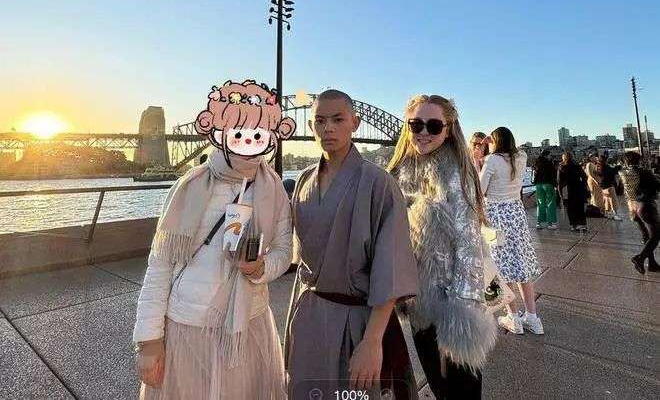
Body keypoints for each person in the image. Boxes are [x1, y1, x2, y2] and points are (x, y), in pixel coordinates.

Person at [133, 80, 296, 399]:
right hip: (187, 325)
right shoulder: (187, 186)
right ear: (221, 132)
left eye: (257, 133)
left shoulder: (273, 187)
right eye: (238, 131)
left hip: (247, 324)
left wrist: (260, 268)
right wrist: (149, 340)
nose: (247, 140)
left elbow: (284, 250)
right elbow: (160, 265)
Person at [285, 90, 418, 399]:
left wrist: (372, 342)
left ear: (355, 123)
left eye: (337, 119)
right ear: (311, 126)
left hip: (357, 322)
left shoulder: (379, 182)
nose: (328, 128)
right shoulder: (303, 180)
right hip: (308, 315)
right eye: (320, 121)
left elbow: (390, 269)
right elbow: (296, 256)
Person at [387, 95, 496, 399]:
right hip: (415, 298)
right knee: (438, 386)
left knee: (461, 391)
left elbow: (469, 243)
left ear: (448, 130)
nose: (423, 132)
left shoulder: (456, 172)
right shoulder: (399, 170)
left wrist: (461, 310)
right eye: (416, 124)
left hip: (450, 301)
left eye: (433, 126)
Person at [479, 127, 543, 335]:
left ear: (495, 141)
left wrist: (483, 152)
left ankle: (513, 317)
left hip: (497, 216)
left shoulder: (492, 160)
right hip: (516, 214)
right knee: (521, 264)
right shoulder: (521, 157)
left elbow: (480, 190)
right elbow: (516, 152)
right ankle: (533, 318)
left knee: (501, 267)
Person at [619, 151, 660, 274]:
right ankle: (640, 258)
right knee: (656, 235)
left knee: (646, 236)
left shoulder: (623, 172)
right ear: (639, 160)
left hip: (633, 207)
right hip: (645, 206)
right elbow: (658, 185)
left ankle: (652, 264)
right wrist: (655, 176)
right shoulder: (644, 172)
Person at [558, 151, 589, 232]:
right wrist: (583, 185)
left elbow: (559, 181)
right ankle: (582, 225)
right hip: (578, 188)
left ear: (564, 158)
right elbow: (585, 177)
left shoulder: (562, 167)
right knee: (580, 207)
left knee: (571, 208)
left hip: (568, 189)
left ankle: (574, 225)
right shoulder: (577, 165)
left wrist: (560, 193)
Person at [533, 149, 558, 230]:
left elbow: (535, 173)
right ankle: (551, 223)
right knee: (550, 203)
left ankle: (539, 223)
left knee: (541, 203)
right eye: (550, 155)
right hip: (548, 184)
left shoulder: (537, 163)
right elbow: (553, 174)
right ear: (547, 155)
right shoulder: (549, 163)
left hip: (538, 184)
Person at [597, 154, 622, 220]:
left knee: (607, 201)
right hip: (609, 186)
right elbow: (613, 172)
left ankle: (609, 214)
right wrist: (618, 167)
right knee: (613, 201)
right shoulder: (606, 167)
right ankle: (615, 215)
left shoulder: (599, 167)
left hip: (603, 187)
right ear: (605, 160)